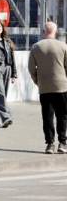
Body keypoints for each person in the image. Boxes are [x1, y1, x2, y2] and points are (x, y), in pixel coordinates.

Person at [28, 20, 67, 154]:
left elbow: (31, 68)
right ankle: (63, 142)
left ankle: (50, 144)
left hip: (44, 87)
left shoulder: (36, 47)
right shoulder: (63, 46)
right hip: (62, 86)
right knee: (62, 115)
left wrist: (37, 81)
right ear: (55, 32)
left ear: (45, 31)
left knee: (47, 116)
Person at [0, 19, 15, 129]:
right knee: (0, 94)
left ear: (2, 28)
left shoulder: (7, 41)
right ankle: (6, 117)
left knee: (0, 94)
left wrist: (14, 73)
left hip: (7, 68)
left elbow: (12, 58)